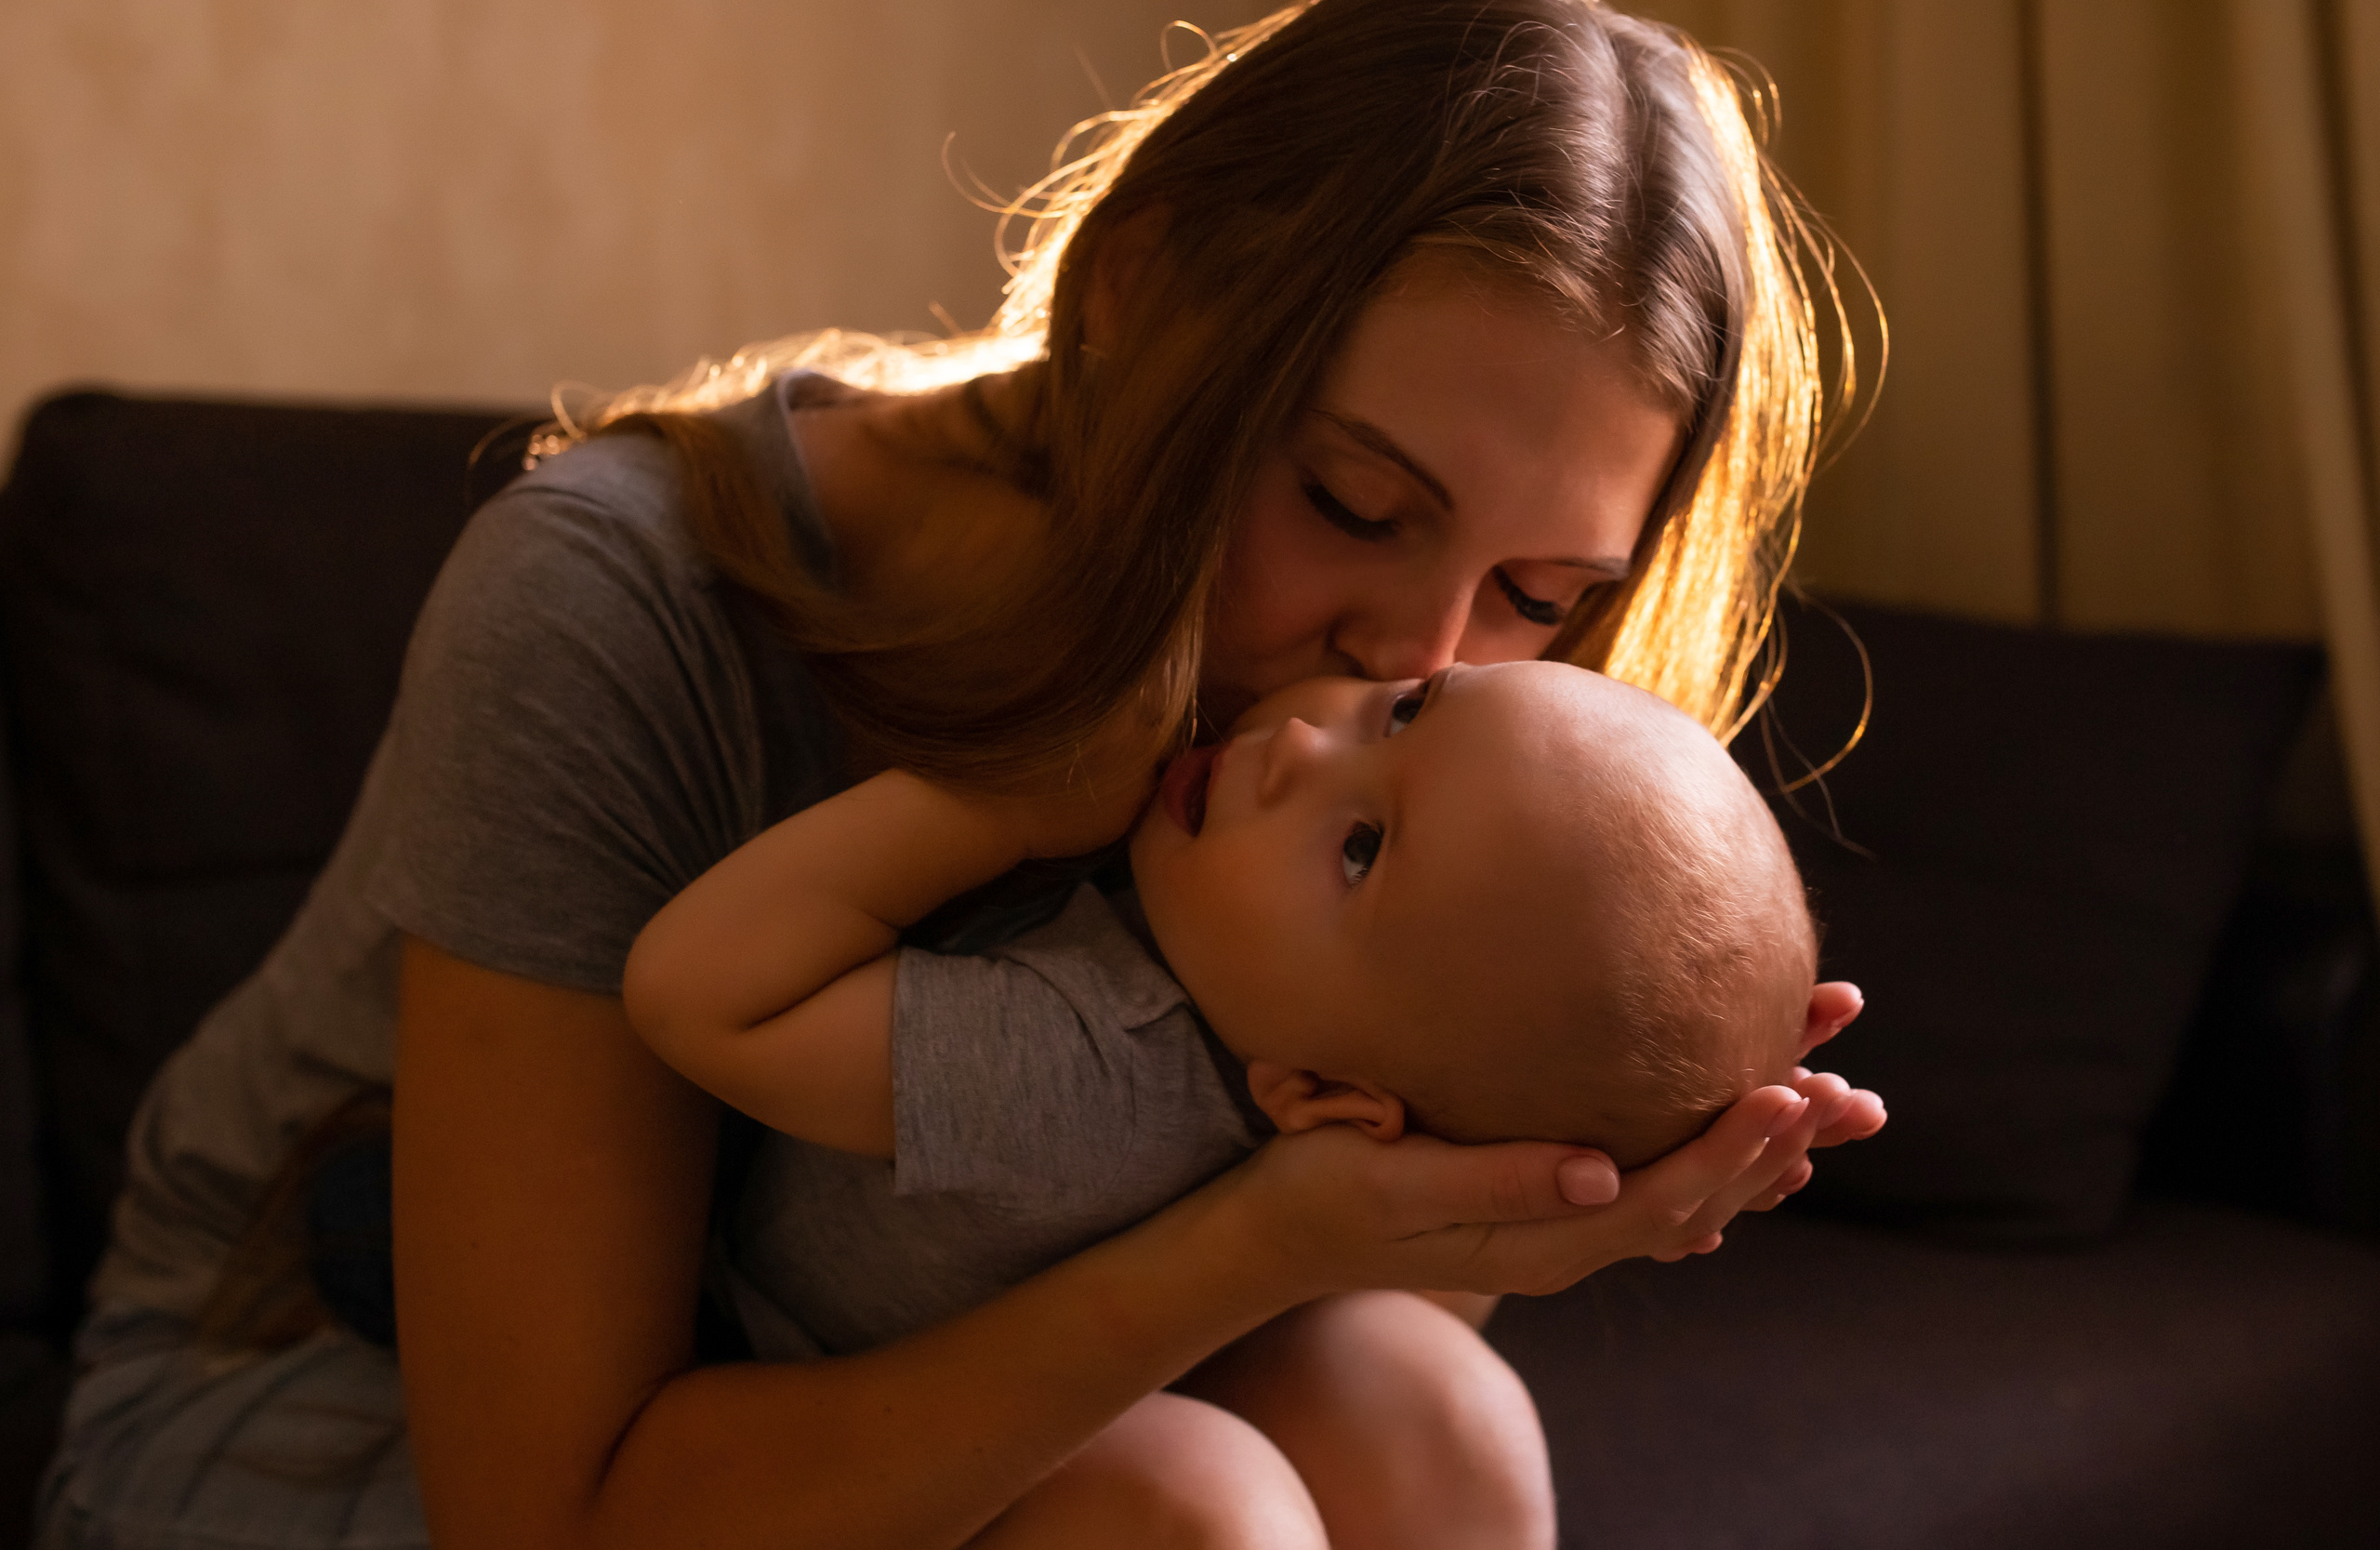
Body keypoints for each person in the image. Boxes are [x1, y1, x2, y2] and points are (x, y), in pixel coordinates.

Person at [36, 4, 1885, 1548]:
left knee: (1429, 1411)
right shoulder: (616, 600)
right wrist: (1259, 1238)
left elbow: (1349, 1236)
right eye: (1350, 502)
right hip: (321, 1393)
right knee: (1188, 1507)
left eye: (1543, 595)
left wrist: (1532, 1197)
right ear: (1145, 299)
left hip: (863, 1362)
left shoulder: (1399, 742)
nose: (1408, 659)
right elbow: (553, 1515)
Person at [621, 658, 1835, 1544]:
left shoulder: (1096, 1059)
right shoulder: (1343, 1053)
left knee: (1433, 1412)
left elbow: (703, 999)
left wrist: (1001, 797)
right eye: (1407, 707)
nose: (1306, 741)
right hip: (862, 1448)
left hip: (901, 1420)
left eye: (1360, 846)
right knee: (1239, 1490)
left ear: (1328, 1102)